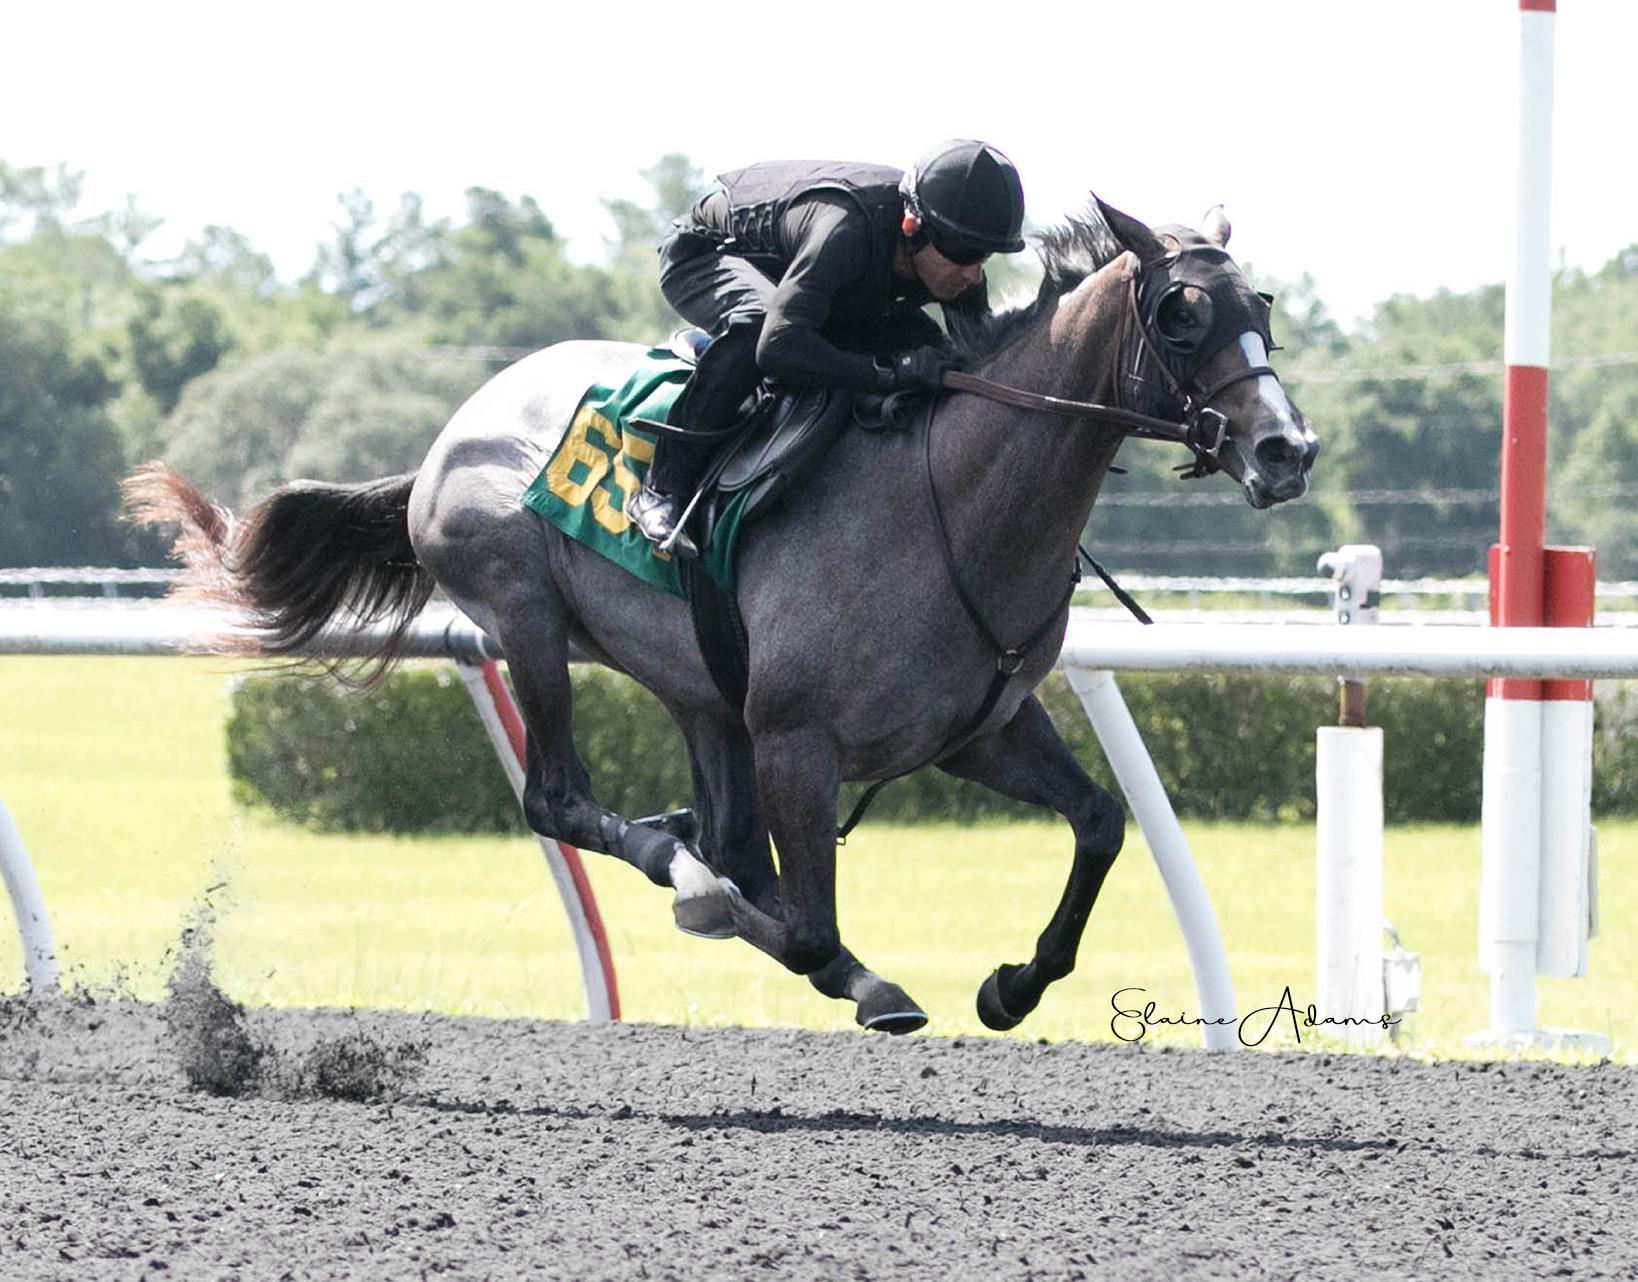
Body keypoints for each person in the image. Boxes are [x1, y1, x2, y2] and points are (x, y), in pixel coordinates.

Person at [626, 139, 1028, 557]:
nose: (973, 274)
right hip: (707, 252)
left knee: (936, 352)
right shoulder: (847, 230)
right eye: (964, 253)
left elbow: (977, 364)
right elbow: (778, 346)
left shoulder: (955, 263)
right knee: (757, 324)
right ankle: (662, 486)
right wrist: (891, 372)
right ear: (912, 226)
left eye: (984, 256)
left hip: (815, 276)